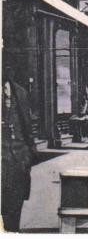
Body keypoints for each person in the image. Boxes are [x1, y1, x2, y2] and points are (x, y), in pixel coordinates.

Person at [2, 75, 38, 231]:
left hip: (18, 160)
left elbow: (27, 128)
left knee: (15, 207)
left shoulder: (20, 93)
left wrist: (28, 157)